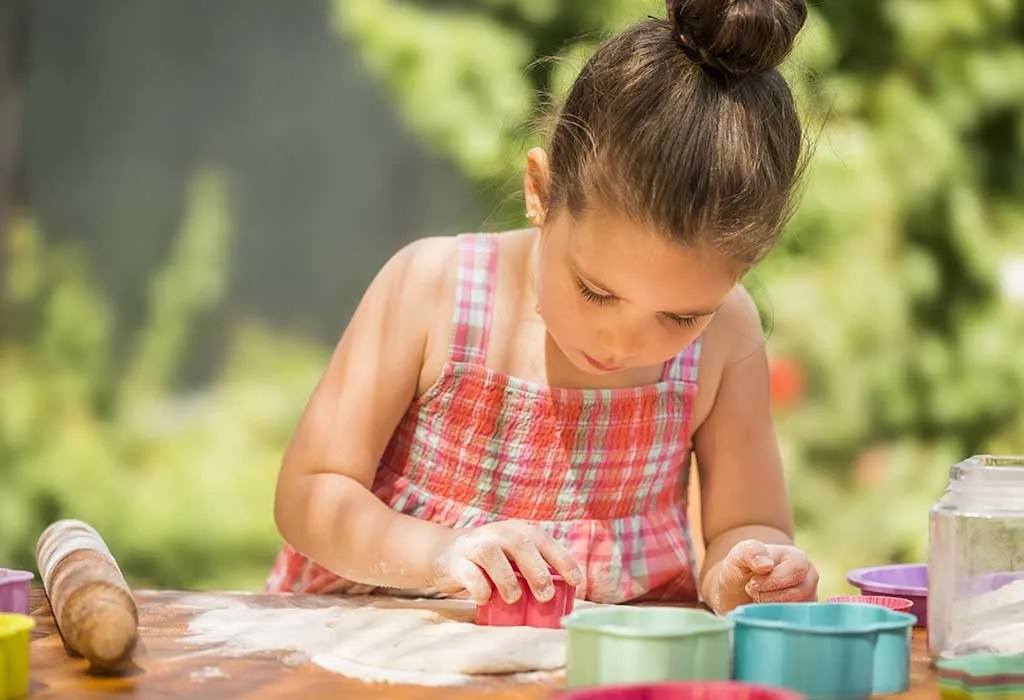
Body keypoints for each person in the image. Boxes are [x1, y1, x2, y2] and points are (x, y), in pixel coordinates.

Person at [267, 0, 819, 615]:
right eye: (595, 291)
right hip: (370, 650)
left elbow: (747, 526)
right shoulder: (433, 290)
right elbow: (311, 495)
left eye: (681, 317)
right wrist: (440, 552)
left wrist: (750, 572)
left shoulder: (730, 335)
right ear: (541, 191)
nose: (621, 341)